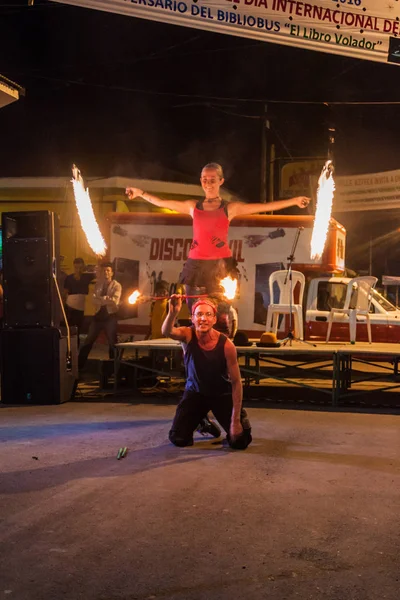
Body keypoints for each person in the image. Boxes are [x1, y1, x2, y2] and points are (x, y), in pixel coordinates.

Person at [126, 163, 310, 310]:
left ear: (221, 181)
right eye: (205, 179)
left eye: (212, 179)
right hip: (195, 266)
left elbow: (263, 207)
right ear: (201, 181)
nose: (208, 183)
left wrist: (293, 201)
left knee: (220, 310)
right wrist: (140, 193)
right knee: (196, 311)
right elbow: (162, 202)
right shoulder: (193, 206)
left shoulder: (229, 208)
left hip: (220, 265)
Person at [161, 295, 252, 450]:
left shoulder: (226, 345)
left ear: (214, 320)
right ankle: (202, 422)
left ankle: (218, 422)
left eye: (208, 315)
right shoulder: (187, 335)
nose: (203, 318)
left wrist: (235, 420)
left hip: (221, 395)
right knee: (178, 438)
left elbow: (236, 383)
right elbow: (167, 331)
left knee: (240, 441)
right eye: (199, 314)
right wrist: (173, 312)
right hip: (195, 394)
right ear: (193, 319)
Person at [78, 263, 122, 370]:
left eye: (108, 270)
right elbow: (93, 300)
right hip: (98, 316)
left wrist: (100, 299)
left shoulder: (117, 285)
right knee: (88, 341)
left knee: (112, 343)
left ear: (112, 273)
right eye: (104, 270)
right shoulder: (98, 284)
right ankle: (78, 367)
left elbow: (114, 301)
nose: (105, 272)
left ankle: (114, 369)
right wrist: (105, 299)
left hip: (110, 316)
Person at [63, 258, 96, 344]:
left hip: (79, 305)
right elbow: (65, 291)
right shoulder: (70, 277)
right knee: (73, 327)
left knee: (77, 327)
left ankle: (74, 346)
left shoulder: (87, 276)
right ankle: (72, 345)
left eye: (80, 267)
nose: (78, 269)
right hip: (71, 304)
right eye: (76, 267)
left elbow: (97, 274)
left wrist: (89, 269)